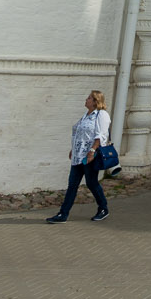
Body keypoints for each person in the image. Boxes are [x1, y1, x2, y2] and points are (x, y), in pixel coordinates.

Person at [47, 90, 111, 223]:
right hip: (78, 156)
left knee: (91, 183)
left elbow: (101, 135)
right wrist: (74, 149)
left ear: (95, 101)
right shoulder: (86, 115)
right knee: (72, 185)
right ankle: (63, 214)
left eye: (89, 98)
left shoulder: (101, 114)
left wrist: (92, 151)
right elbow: (80, 135)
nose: (86, 100)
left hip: (90, 156)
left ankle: (103, 208)